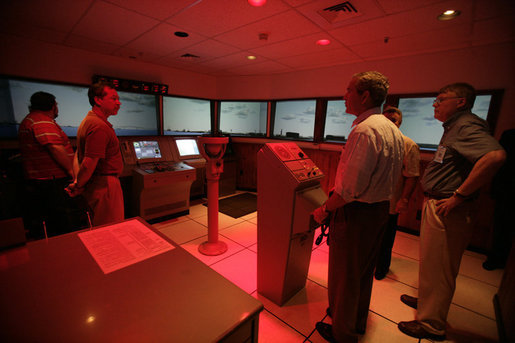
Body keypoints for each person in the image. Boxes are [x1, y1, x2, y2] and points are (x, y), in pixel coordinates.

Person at [397, 83, 506, 340]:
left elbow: (495, 157)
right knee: (432, 263)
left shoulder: (466, 125)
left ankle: (431, 324)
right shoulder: (454, 127)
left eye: (440, 99)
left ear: (461, 102)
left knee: (442, 266)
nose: (435, 104)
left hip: (449, 207)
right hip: (438, 203)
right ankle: (427, 303)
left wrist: (459, 195)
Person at [312, 71, 404, 343]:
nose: (344, 96)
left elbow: (348, 190)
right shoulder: (391, 129)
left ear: (364, 96)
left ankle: (343, 332)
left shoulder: (364, 131)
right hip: (378, 212)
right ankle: (354, 320)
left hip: (356, 214)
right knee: (362, 272)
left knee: (345, 274)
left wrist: (323, 210)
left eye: (348, 90)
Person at [18, 91, 85, 238]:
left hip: (42, 182)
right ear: (52, 106)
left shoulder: (30, 120)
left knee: (52, 223)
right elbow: (55, 149)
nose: (57, 108)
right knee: (65, 223)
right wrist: (73, 174)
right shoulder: (42, 122)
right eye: (56, 104)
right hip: (52, 183)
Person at [66, 81, 124, 226]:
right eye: (113, 98)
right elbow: (88, 163)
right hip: (105, 186)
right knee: (111, 230)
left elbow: (78, 155)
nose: (119, 103)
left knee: (99, 227)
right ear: (98, 100)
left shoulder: (88, 122)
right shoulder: (99, 126)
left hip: (95, 184)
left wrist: (78, 182)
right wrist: (79, 184)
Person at [374, 106, 420, 280]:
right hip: (370, 200)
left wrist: (405, 199)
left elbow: (412, 175)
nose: (389, 123)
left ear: (399, 123)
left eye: (393, 120)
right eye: (385, 119)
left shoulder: (408, 145)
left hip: (390, 202)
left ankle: (381, 268)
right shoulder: (375, 141)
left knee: (385, 239)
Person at [483, 128, 515, 270]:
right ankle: (498, 258)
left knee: (503, 225)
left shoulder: (510, 135)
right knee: (502, 226)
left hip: (507, 188)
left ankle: (498, 259)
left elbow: (499, 161)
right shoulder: (510, 134)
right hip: (506, 189)